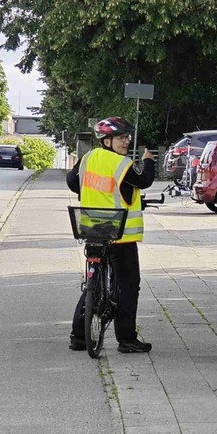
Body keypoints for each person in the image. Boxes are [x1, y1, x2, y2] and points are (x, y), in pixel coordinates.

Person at [67, 117, 156, 354]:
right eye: (121, 138)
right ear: (107, 140)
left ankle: (79, 336)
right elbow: (144, 181)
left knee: (91, 285)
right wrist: (148, 162)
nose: (126, 141)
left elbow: (72, 181)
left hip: (91, 228)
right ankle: (126, 339)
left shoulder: (88, 158)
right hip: (120, 235)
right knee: (128, 285)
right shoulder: (121, 163)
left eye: (127, 137)